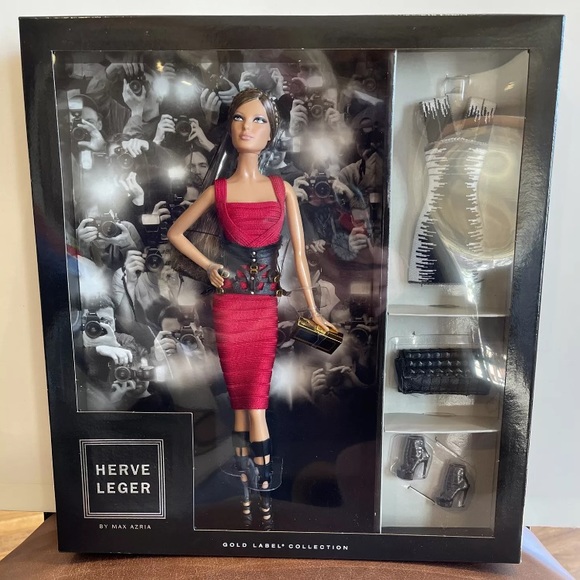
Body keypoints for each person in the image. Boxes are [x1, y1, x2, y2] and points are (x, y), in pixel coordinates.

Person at [168, 89, 336, 527]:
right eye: (240, 118)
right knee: (242, 404)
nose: (248, 127)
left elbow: (301, 258)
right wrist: (209, 266)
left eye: (259, 119)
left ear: (271, 132)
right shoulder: (219, 191)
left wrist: (314, 310)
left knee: (254, 401)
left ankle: (262, 492)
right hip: (230, 306)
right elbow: (176, 233)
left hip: (262, 308)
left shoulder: (283, 190)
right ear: (229, 128)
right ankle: (251, 489)